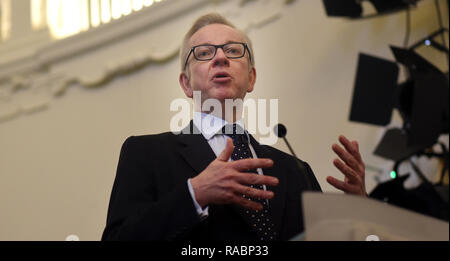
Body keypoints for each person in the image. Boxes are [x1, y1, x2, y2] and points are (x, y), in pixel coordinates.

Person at [101, 13, 367, 241]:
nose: (220, 58)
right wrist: (195, 194)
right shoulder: (146, 153)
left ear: (251, 78)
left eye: (232, 51)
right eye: (204, 53)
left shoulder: (295, 170)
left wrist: (361, 216)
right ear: (186, 84)